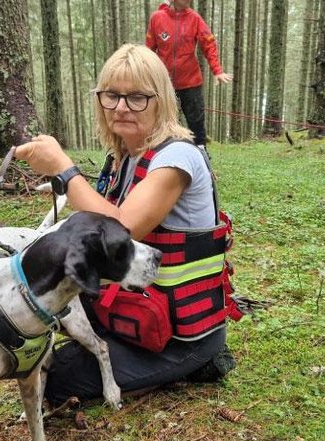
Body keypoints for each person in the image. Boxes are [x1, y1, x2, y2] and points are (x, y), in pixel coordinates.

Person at [14, 44, 238, 407]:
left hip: (180, 336)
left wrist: (63, 169)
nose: (121, 107)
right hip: (134, 310)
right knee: (32, 323)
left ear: (161, 100)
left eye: (136, 97)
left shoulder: (177, 157)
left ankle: (195, 364)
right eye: (112, 96)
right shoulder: (123, 158)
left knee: (54, 378)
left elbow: (122, 227)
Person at [146, 0, 232, 151]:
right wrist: (145, 73)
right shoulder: (157, 18)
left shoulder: (195, 19)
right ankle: (164, 154)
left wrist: (217, 70)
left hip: (191, 82)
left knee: (196, 121)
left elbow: (208, 44)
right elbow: (149, 50)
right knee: (164, 121)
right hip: (164, 83)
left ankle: (201, 152)